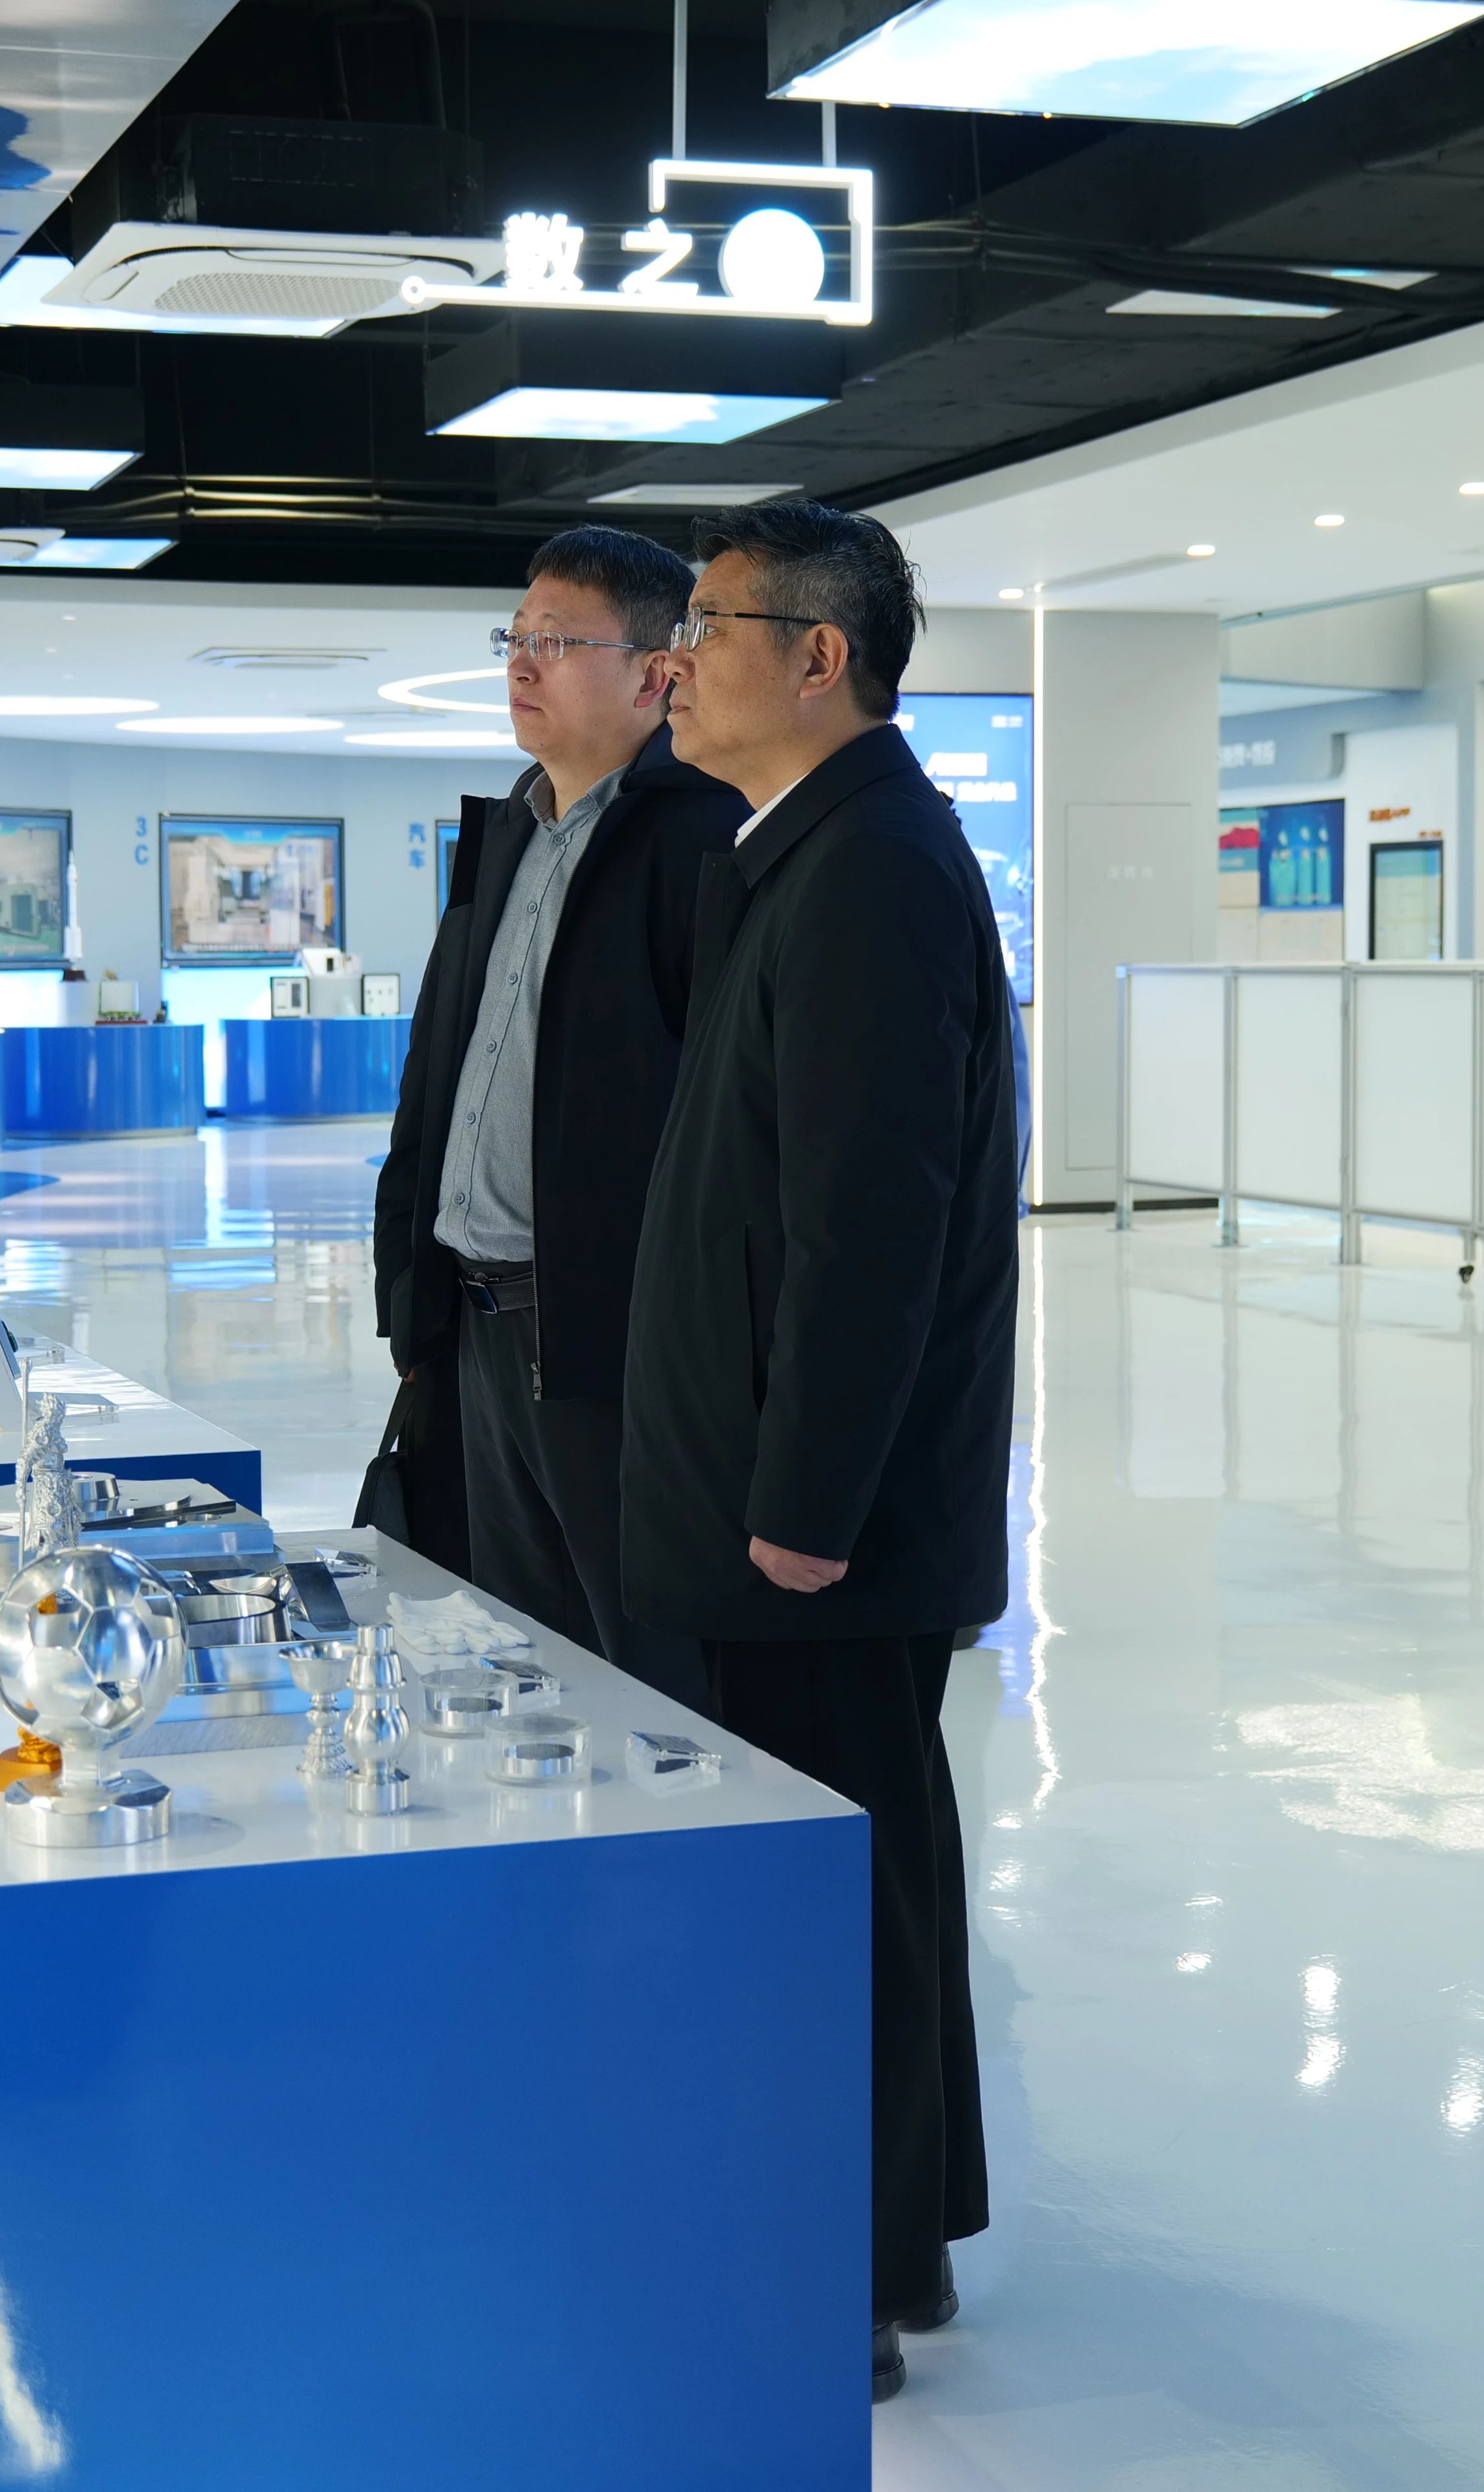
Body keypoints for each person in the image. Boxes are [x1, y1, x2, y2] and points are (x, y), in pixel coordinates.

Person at [625, 502, 1012, 2405]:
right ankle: (892, 2242)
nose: (675, 663)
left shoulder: (868, 869)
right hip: (797, 1508)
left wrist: (802, 1507)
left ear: (819, 656)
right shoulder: (811, 848)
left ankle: (836, 2278)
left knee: (833, 1888)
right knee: (870, 1870)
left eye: (706, 625)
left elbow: (872, 1223)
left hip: (817, 1535)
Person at [375, 526, 745, 1706]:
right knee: (524, 1661)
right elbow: (440, 1075)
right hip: (477, 1324)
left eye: (558, 641)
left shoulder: (705, 842)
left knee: (645, 1675)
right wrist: (410, 1295)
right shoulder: (513, 831)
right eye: (515, 637)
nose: (521, 663)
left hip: (607, 1338)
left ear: (654, 674)